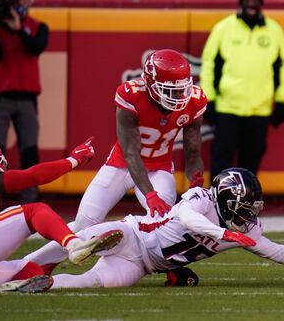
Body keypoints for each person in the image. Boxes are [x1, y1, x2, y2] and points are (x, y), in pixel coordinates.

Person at [7, 168, 284, 290]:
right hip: (135, 234)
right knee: (86, 238)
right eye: (245, 208)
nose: (249, 216)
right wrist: (223, 235)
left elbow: (273, 250)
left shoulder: (242, 227)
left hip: (142, 265)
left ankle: (42, 283)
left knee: (92, 283)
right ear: (228, 200)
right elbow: (188, 219)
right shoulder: (201, 200)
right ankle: (34, 262)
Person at [24, 49, 207, 270]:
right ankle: (32, 264)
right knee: (84, 224)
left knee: (164, 227)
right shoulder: (130, 95)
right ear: (150, 84)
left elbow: (193, 152)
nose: (178, 97)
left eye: (181, 90)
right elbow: (131, 153)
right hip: (121, 165)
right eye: (170, 91)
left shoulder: (194, 100)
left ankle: (172, 271)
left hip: (159, 168)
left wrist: (194, 179)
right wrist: (150, 194)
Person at [0, 135, 124, 293]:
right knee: (33, 211)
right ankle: (74, 245)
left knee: (31, 270)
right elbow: (30, 177)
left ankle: (11, 289)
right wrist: (73, 160)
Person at [200, 0, 284, 179]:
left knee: (250, 164)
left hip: (260, 109)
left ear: (261, 4)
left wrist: (282, 100)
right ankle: (216, 204)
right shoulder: (223, 28)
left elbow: (283, 67)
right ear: (241, 3)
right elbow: (209, 64)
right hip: (227, 108)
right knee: (221, 161)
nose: (251, 5)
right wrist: (209, 98)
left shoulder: (274, 31)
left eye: (256, 1)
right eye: (248, 1)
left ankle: (246, 206)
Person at [0, 0, 48, 204]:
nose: (19, 4)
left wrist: (18, 29)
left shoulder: (36, 26)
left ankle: (30, 196)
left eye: (23, 0)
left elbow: (36, 47)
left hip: (27, 96)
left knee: (29, 148)